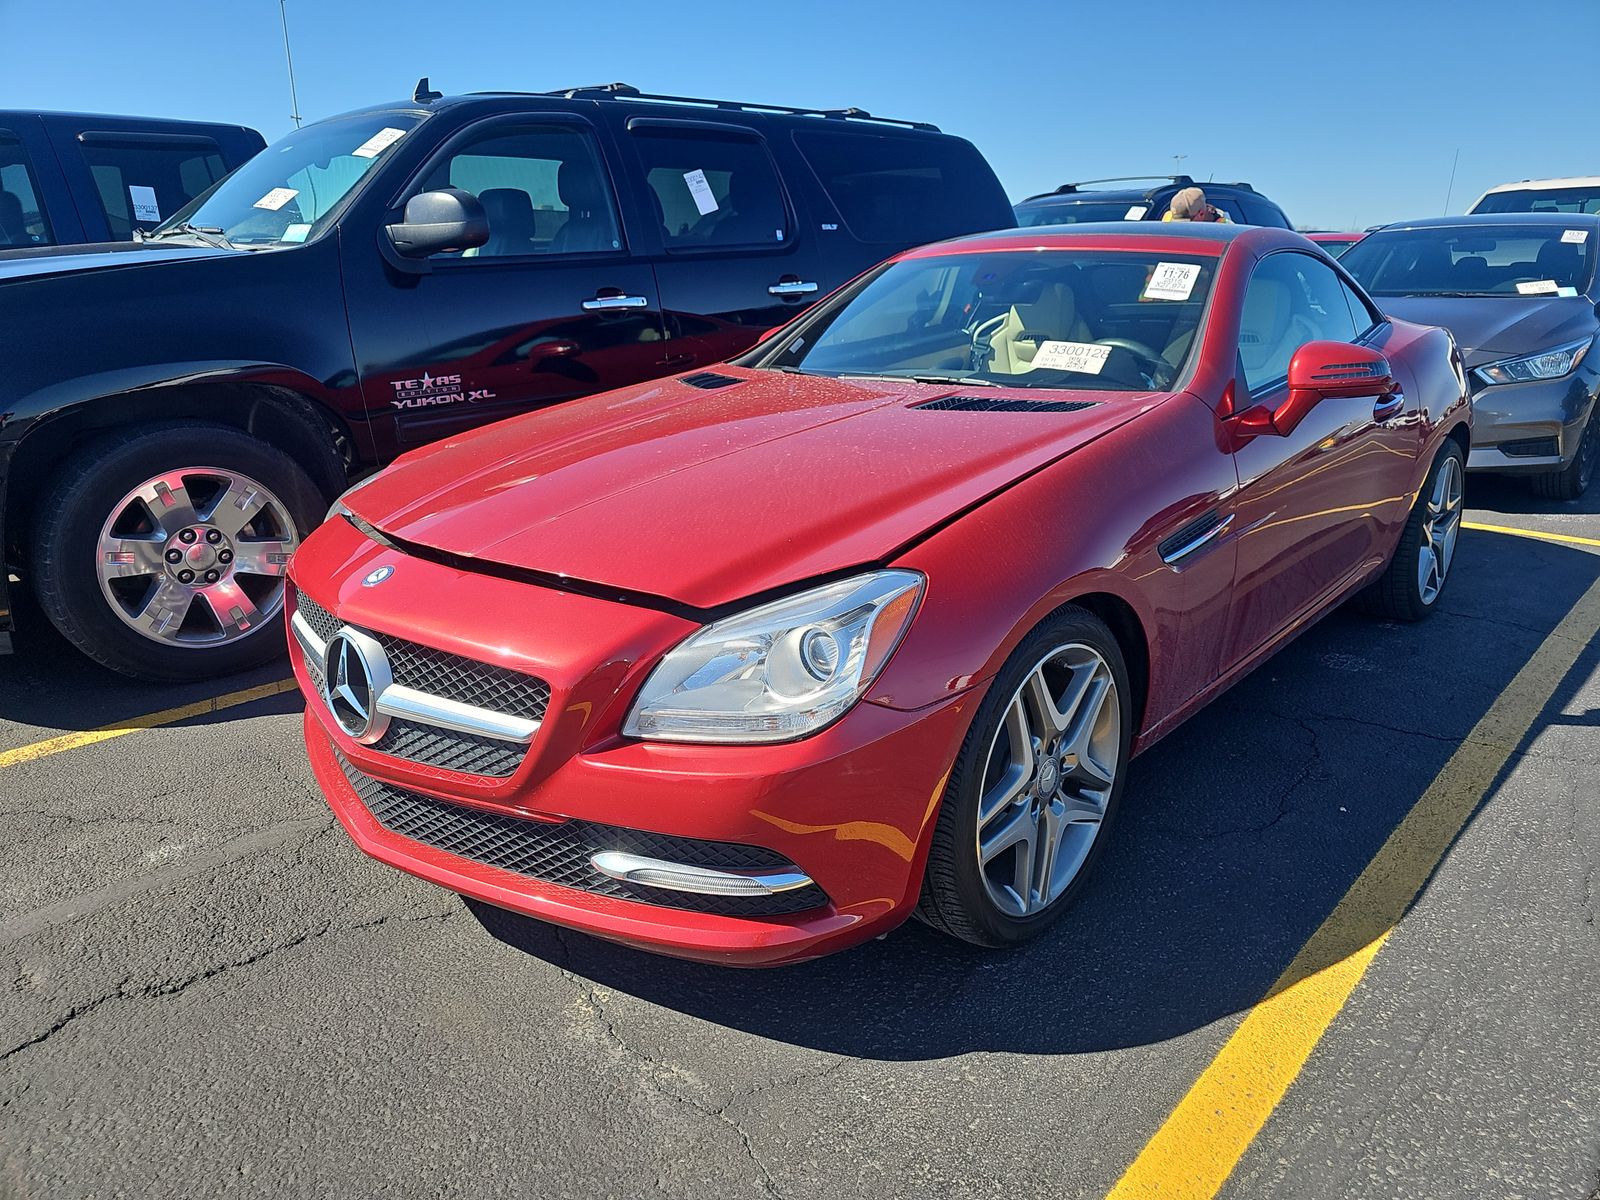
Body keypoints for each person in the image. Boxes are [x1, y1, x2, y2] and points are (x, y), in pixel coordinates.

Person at [1162, 186, 1228, 223]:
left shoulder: (1224, 229)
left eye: (1185, 223)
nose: (1180, 228)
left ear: (1201, 214)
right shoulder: (1168, 218)